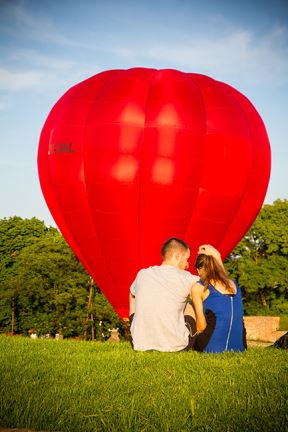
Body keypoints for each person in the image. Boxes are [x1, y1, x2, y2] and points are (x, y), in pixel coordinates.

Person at [129, 238, 220, 352]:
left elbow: (132, 296)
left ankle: (140, 334)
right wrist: (215, 256)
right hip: (176, 345)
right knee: (191, 301)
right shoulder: (187, 278)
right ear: (178, 256)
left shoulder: (143, 274)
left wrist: (132, 321)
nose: (187, 265)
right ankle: (202, 338)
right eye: (187, 259)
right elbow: (218, 286)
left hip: (138, 343)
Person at [191, 253, 246, 353]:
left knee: (189, 307)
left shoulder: (198, 287)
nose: (198, 274)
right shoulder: (234, 284)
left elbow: (201, 326)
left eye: (198, 269)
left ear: (201, 268)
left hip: (212, 347)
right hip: (240, 346)